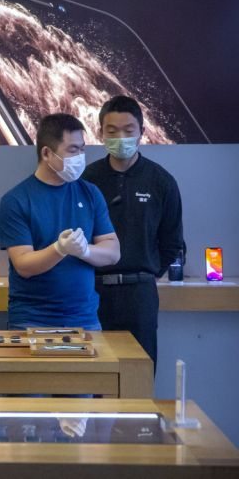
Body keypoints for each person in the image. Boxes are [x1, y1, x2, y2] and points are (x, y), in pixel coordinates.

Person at [83, 95, 185, 370]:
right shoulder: (87, 180)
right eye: (112, 131)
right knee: (92, 374)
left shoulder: (160, 180)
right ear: (100, 133)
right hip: (92, 290)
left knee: (138, 373)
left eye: (129, 131)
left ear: (142, 132)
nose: (121, 138)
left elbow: (172, 242)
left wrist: (146, 271)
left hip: (140, 292)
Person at [0, 113, 120, 330]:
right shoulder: (16, 200)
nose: (81, 156)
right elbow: (24, 265)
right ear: (47, 153)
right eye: (73, 150)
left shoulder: (90, 193)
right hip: (31, 320)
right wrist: (59, 249)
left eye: (83, 149)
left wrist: (84, 251)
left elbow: (113, 252)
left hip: (84, 319)